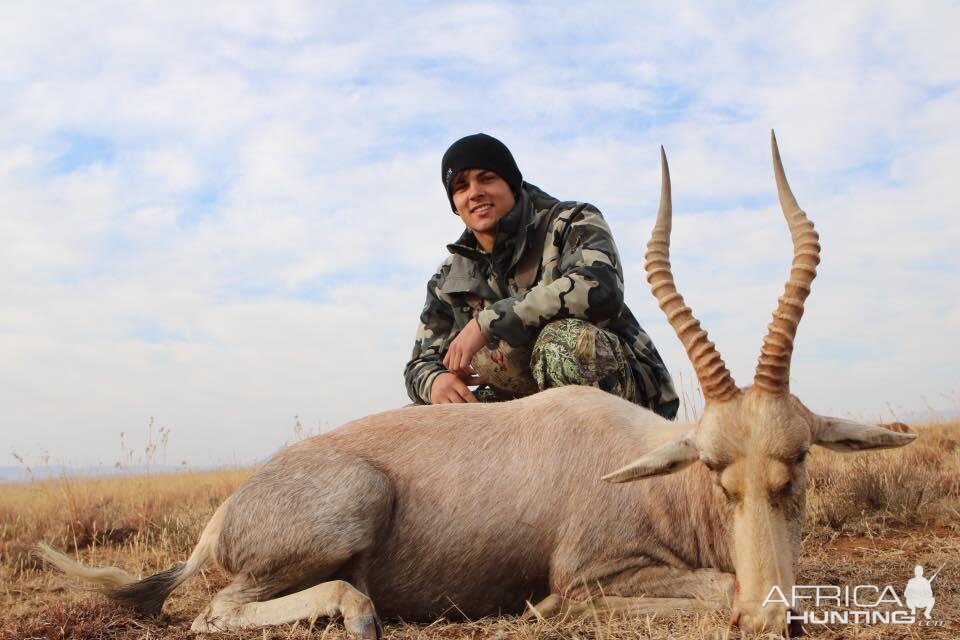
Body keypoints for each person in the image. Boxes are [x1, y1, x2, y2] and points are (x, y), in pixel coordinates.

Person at [403, 133, 678, 418]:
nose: (474, 193)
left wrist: (488, 323)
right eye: (461, 186)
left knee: (564, 344)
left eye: (486, 178)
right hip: (525, 411)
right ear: (455, 203)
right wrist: (435, 381)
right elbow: (419, 364)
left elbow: (599, 287)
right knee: (414, 420)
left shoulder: (572, 221)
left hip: (626, 405)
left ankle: (598, 459)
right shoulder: (449, 278)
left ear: (511, 183)